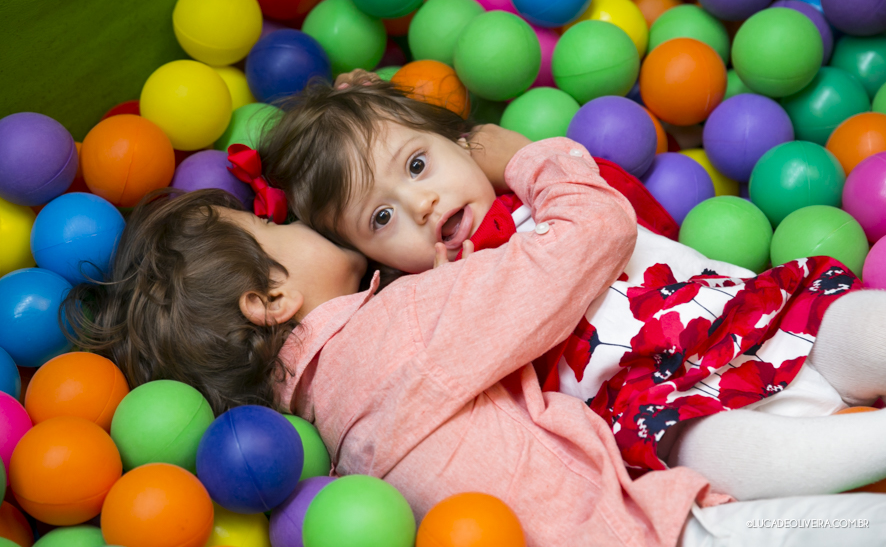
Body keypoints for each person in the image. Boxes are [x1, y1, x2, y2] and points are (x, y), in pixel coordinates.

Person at [67, 131, 886, 546]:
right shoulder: (395, 329)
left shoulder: (326, 425)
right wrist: (525, 158)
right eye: (269, 224)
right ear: (271, 295)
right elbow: (589, 233)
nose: (286, 218)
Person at [258, 79, 886, 504]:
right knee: (723, 456)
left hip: (747, 316)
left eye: (418, 165)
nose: (420, 204)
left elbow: (638, 219)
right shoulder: (427, 307)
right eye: (381, 219)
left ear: (460, 141)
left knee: (859, 324)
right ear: (374, 261)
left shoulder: (547, 191)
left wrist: (520, 158)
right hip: (662, 406)